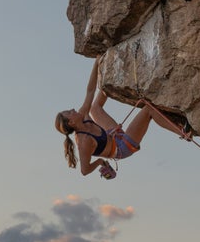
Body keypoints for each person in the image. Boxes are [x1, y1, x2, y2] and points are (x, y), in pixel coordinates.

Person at [55, 56, 188, 179]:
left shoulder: (83, 114)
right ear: (72, 122)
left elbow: (90, 90)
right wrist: (100, 162)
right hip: (122, 147)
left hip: (112, 135)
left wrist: (97, 62)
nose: (72, 109)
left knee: (94, 108)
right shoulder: (84, 142)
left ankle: (112, 72)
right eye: (69, 112)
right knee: (149, 110)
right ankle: (183, 132)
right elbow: (84, 170)